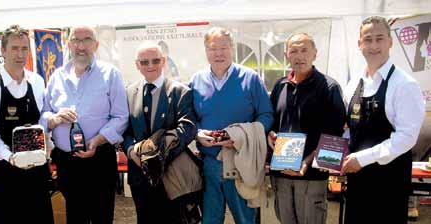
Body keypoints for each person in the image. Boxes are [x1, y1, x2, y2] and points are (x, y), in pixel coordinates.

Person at [341, 16, 425, 224]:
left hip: (389, 184)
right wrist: (333, 153)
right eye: (368, 40)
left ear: (390, 42)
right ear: (359, 44)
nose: (374, 46)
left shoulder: (405, 85)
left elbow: (406, 137)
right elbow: (349, 129)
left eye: (380, 39)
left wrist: (362, 158)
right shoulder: (353, 85)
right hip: (357, 183)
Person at [41, 26, 129, 224]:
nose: (81, 46)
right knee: (75, 218)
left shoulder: (111, 74)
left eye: (87, 40)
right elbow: (44, 115)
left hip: (99, 160)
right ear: (69, 44)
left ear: (96, 45)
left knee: (101, 217)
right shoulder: (57, 76)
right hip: (67, 163)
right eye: (76, 40)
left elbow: (121, 116)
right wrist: (55, 118)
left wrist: (97, 140)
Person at [190, 27, 273, 224]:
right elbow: (188, 119)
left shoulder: (250, 78)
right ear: (205, 51)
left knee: (245, 220)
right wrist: (198, 133)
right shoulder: (196, 80)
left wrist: (241, 136)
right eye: (212, 48)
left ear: (232, 48)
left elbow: (266, 115)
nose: (218, 53)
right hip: (209, 164)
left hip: (241, 162)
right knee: (210, 220)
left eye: (223, 47)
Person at [0, 25, 54, 224]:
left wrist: (48, 136)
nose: (20, 54)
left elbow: (41, 118)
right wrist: (10, 157)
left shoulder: (37, 81)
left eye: (24, 48)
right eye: (14, 48)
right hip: (7, 171)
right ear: (2, 51)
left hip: (37, 169)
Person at [267, 33, 346, 224]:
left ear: (315, 54)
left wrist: (307, 162)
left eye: (304, 50)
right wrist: (270, 134)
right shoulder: (280, 86)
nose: (299, 56)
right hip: (282, 174)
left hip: (312, 177)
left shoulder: (329, 87)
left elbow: (336, 138)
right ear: (287, 55)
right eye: (294, 51)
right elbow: (272, 124)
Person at [122, 42, 198, 224]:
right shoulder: (128, 92)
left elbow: (187, 128)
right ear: (137, 65)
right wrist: (131, 152)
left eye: (155, 61)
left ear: (163, 61)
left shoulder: (181, 91)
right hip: (139, 175)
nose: (150, 66)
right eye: (144, 62)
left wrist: (158, 156)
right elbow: (125, 130)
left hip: (170, 174)